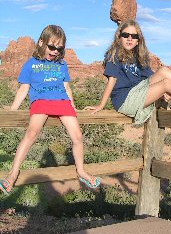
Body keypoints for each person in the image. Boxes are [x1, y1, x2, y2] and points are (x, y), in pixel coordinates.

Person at [0, 25, 100, 196]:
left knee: (77, 136)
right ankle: (13, 172)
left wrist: (72, 104)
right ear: (41, 42)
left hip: (62, 102)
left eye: (59, 48)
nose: (54, 51)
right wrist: (12, 110)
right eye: (51, 47)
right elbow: (24, 88)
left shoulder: (62, 64)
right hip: (41, 101)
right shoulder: (31, 64)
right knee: (31, 134)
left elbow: (66, 87)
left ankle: (81, 171)